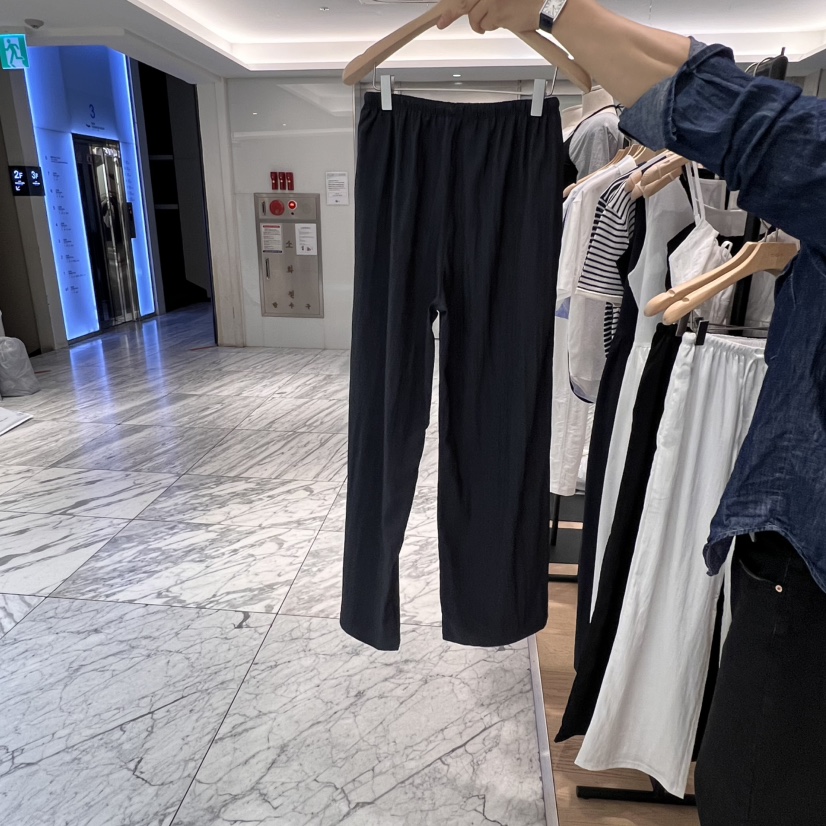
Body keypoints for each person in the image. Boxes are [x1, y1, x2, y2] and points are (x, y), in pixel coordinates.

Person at [437, 2, 826, 825]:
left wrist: (558, 11)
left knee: (757, 764)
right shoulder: (616, 190)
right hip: (687, 376)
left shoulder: (650, 180)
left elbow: (756, 126)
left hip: (739, 427)